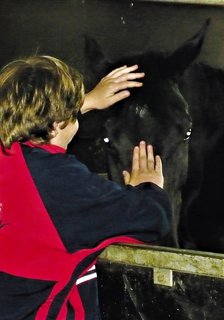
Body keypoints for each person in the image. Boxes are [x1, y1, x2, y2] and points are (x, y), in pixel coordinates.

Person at [0, 56, 171, 320]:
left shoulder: (8, 158)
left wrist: (86, 101)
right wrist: (147, 186)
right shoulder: (61, 183)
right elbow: (153, 218)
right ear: (57, 123)